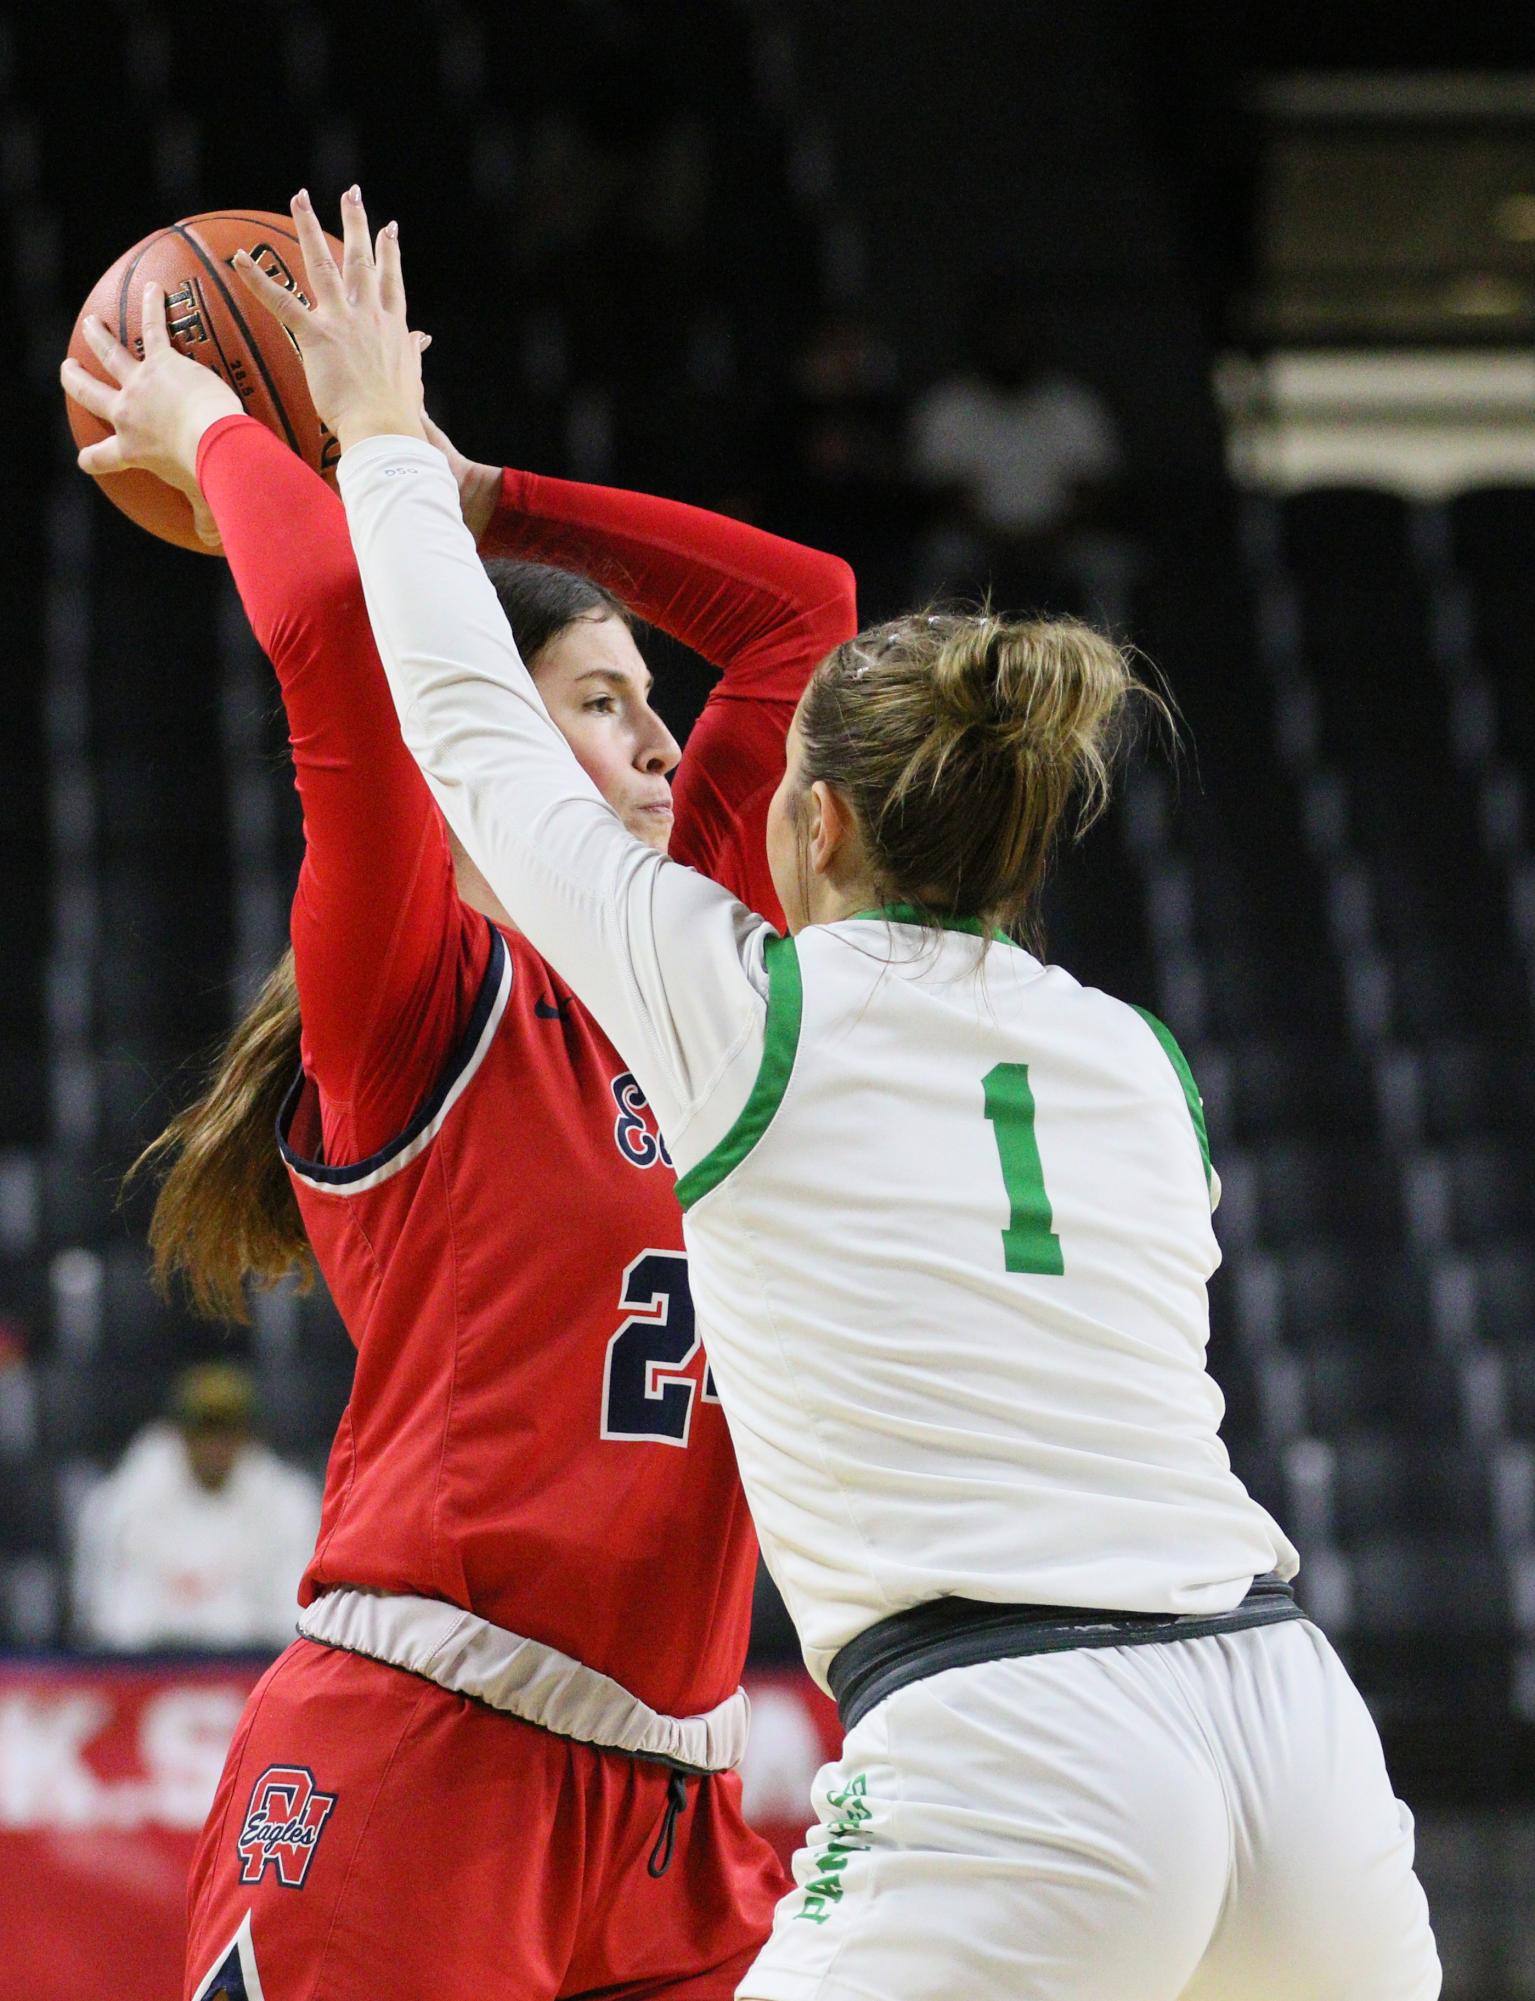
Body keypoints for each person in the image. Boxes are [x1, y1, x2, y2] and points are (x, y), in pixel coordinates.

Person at [246, 190, 1439, 2001]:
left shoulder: (747, 1016)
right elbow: (790, 624)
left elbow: (456, 721)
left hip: (1015, 1737)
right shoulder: (1139, 1059)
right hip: (1293, 1726)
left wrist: (391, 448)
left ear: (810, 827)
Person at [61, 238, 857, 1999]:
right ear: (479, 742)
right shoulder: (422, 989)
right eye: (602, 702)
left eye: (659, 705)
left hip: (679, 1808)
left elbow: (805, 608)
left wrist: (480, 493)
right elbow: (339, 631)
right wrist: (219, 429)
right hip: (420, 1750)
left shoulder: (703, 979)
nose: (667, 742)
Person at [71, 1363, 319, 1651]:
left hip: (251, 1670)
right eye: (202, 1428)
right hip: (148, 1671)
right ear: (180, 1432)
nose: (214, 1444)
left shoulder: (288, 1504)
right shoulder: (123, 1499)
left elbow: (292, 1621)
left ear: (246, 1435)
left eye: (226, 1429)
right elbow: (107, 1620)